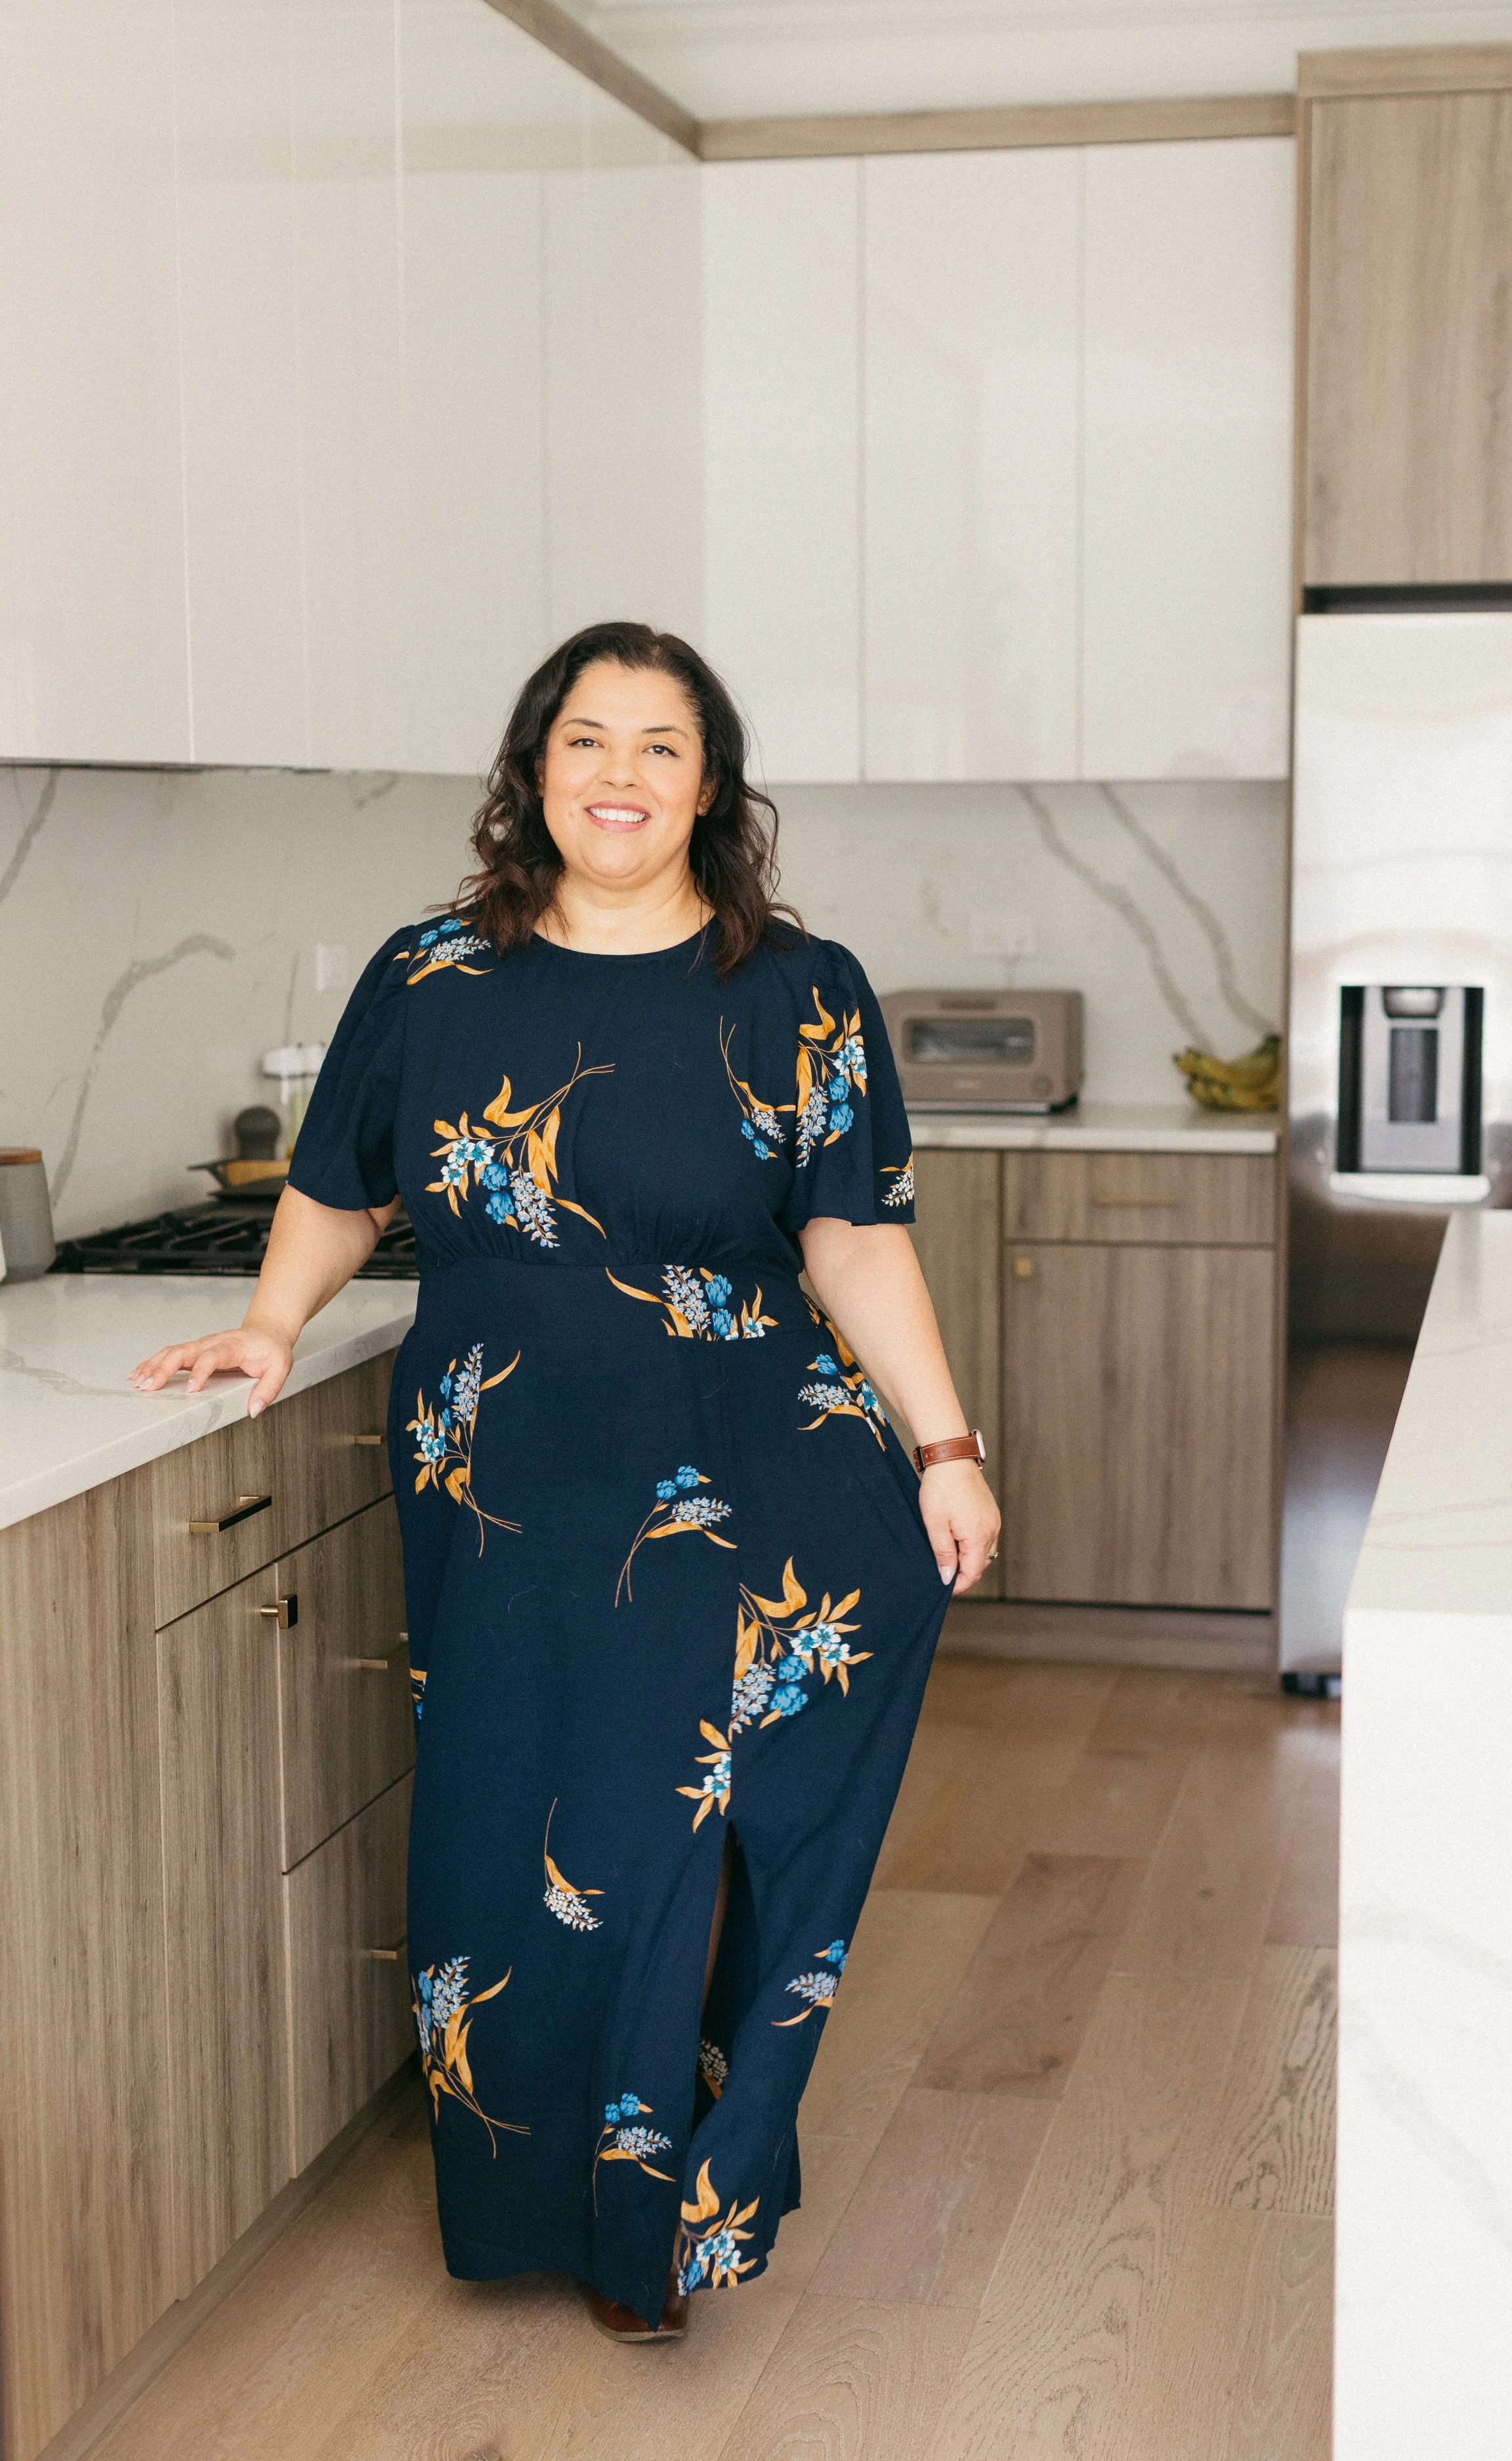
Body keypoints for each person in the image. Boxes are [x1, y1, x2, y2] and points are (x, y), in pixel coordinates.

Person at [131, 621, 1000, 2341]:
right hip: (506, 1458)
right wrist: (267, 1320)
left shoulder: (798, 989)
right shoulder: (433, 971)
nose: (620, 773)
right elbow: (341, 1181)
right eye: (586, 739)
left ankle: (658, 2207)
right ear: (533, 769)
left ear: (711, 784)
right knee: (516, 1818)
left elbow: (853, 1232)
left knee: (672, 1807)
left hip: (743, 1434)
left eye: (660, 744)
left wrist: (944, 1443)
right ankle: (540, 2188)